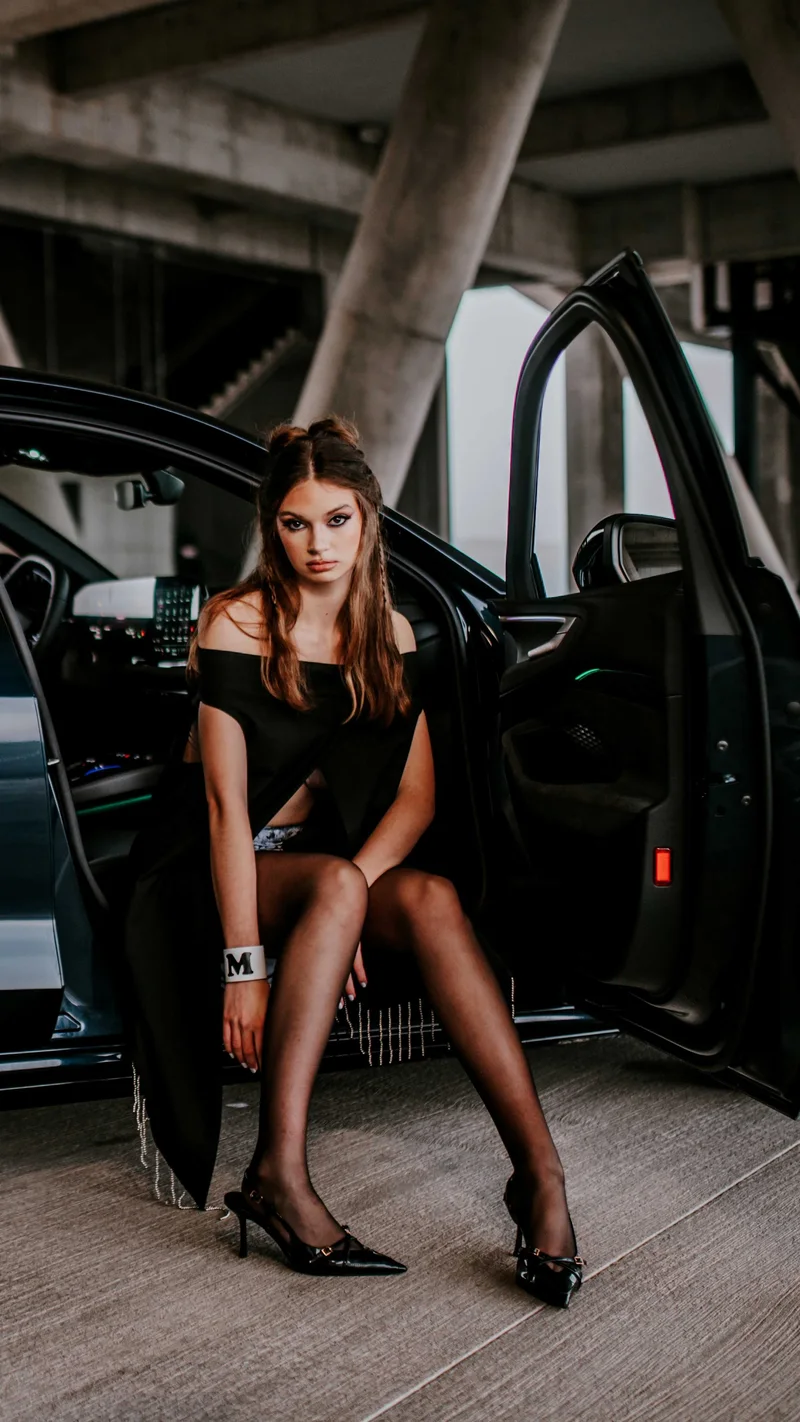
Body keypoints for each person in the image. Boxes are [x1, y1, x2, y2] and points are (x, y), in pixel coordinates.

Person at [123, 417, 584, 1304]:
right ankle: (279, 1176)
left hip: (318, 866)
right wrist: (247, 965)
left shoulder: (389, 635)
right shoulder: (236, 623)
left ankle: (540, 1177)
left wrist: (346, 910)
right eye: (296, 523)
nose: (318, 543)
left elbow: (415, 801)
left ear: (368, 519)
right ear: (273, 528)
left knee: (431, 899)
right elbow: (222, 811)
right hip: (204, 870)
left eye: (338, 520)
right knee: (336, 881)